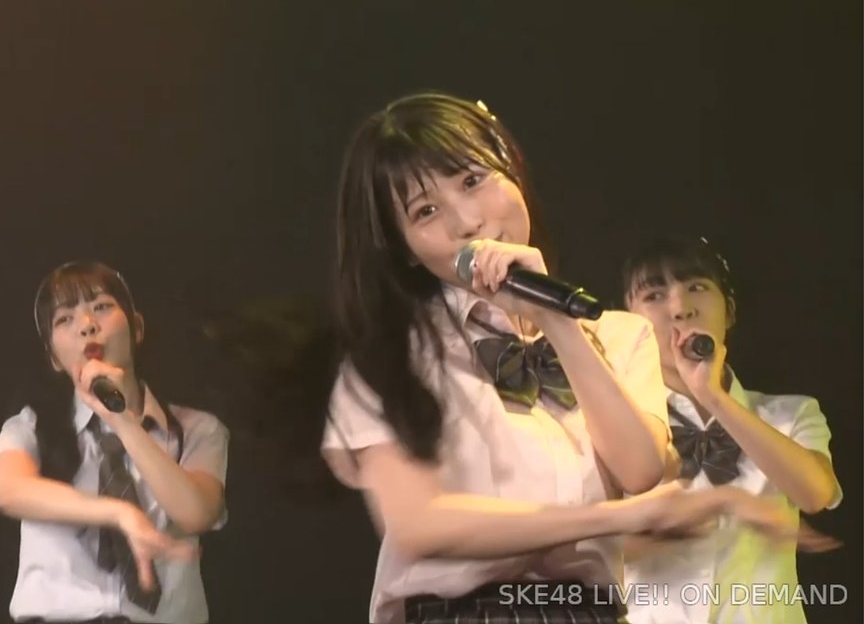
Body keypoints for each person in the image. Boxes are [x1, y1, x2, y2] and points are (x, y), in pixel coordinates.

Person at [320, 92, 814, 624]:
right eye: (426, 211)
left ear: (511, 172)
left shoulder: (620, 335)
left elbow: (640, 469)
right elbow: (421, 524)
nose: (467, 220)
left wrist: (555, 321)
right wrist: (614, 518)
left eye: (472, 180)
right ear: (404, 249)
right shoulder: (387, 354)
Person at [0, 260, 229, 623]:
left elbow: (197, 513)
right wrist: (119, 513)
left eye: (101, 306)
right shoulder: (30, 427)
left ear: (137, 327)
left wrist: (122, 419)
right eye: (64, 319)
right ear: (53, 357)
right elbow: (8, 490)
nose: (87, 325)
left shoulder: (197, 429)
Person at [619, 236, 842, 624]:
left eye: (697, 287)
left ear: (730, 311)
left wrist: (715, 397)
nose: (680, 308)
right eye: (654, 295)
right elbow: (585, 546)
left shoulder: (791, 412)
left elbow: (815, 493)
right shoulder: (612, 425)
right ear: (628, 323)